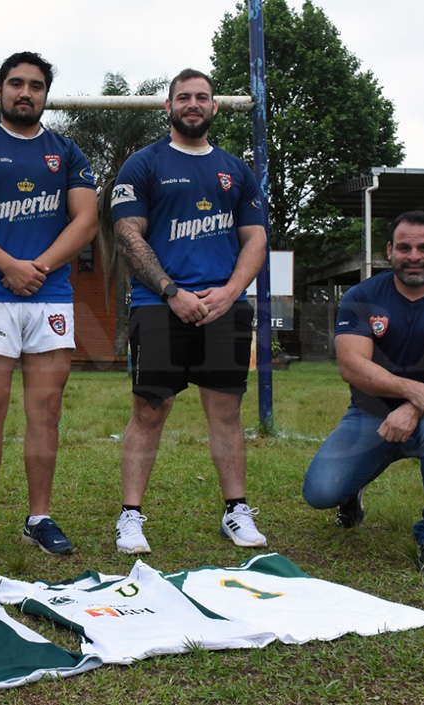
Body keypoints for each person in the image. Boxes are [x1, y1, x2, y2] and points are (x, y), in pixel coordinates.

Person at [0, 51, 97, 558]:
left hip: (49, 295)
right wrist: (9, 265)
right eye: (15, 83)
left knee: (45, 411)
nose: (25, 92)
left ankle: (39, 517)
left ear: (46, 94)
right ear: (1, 89)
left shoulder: (68, 151)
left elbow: (86, 220)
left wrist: (39, 268)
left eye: (34, 85)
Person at [110, 68, 268, 555]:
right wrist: (171, 290)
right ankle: (131, 517)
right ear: (169, 107)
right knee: (150, 409)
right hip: (160, 305)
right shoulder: (144, 164)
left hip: (225, 307)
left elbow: (256, 238)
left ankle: (235, 511)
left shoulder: (236, 170)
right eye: (184, 97)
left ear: (215, 107)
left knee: (226, 411)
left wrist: (230, 292)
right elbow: (127, 233)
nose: (193, 104)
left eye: (202, 97)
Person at [303, 211, 424, 574]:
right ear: (389, 251)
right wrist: (412, 392)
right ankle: (351, 493)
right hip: (371, 413)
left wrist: (413, 409)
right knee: (320, 493)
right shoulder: (362, 296)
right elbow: (352, 366)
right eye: (404, 247)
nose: (414, 255)